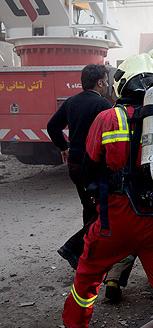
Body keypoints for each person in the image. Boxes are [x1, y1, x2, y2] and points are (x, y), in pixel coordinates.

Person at [62, 53, 153, 328]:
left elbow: (87, 168)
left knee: (87, 278)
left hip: (116, 222)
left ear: (122, 84)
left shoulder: (109, 118)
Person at [102, 45, 153, 302]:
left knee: (127, 237)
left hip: (125, 190)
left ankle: (114, 278)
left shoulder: (117, 113)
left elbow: (96, 160)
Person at [47, 64, 112, 270]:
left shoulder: (71, 102)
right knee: (103, 211)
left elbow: (52, 126)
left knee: (89, 207)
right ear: (100, 82)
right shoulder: (102, 105)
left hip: (74, 166)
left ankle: (87, 253)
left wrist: (63, 147)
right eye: (106, 81)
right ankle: (73, 248)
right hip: (92, 166)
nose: (108, 85)